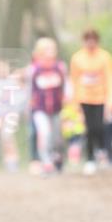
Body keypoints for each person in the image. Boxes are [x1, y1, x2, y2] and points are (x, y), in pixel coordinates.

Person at [69, 29, 112, 176]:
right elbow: (74, 80)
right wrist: (75, 101)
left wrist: (111, 98)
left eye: (93, 39)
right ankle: (89, 158)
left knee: (99, 127)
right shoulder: (77, 58)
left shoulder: (104, 57)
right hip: (84, 97)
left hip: (100, 97)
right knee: (89, 129)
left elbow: (109, 77)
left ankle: (102, 150)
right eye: (87, 39)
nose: (90, 43)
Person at [22, 37, 66, 176]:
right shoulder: (33, 69)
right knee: (44, 133)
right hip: (39, 109)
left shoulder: (60, 67)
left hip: (57, 108)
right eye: (46, 49)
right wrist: (27, 106)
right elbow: (29, 89)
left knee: (56, 137)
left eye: (52, 49)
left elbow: (65, 86)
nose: (50, 52)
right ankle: (45, 162)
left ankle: (56, 158)